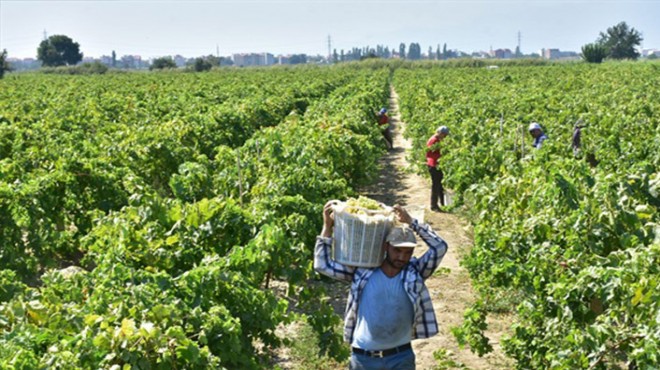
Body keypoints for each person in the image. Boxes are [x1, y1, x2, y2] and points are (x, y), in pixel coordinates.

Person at [314, 201, 448, 370]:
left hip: (401, 357)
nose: (402, 257)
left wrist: (411, 222)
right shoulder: (363, 271)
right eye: (397, 250)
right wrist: (327, 227)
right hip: (364, 358)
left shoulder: (414, 273)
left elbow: (440, 247)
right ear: (386, 247)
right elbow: (322, 264)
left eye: (407, 252)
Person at [426, 126, 449, 212]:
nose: (445, 137)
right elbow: (433, 151)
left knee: (439, 184)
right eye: (444, 135)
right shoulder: (434, 140)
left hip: (436, 164)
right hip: (434, 165)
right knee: (436, 185)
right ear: (440, 133)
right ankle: (434, 205)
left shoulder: (436, 139)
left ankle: (442, 203)